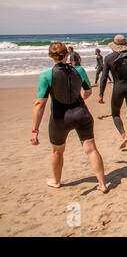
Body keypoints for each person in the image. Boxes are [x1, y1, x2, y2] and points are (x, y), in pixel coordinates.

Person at [30, 42, 107, 193]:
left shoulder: (46, 75)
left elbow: (40, 103)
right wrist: (82, 99)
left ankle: (57, 181)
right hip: (81, 114)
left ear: (50, 55)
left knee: (58, 151)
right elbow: (88, 91)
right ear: (67, 54)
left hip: (60, 118)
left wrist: (35, 130)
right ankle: (102, 184)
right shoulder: (79, 70)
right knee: (91, 149)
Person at [99, 35, 127, 150]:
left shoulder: (108, 58)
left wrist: (101, 94)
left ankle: (123, 136)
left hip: (118, 88)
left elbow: (103, 77)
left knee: (115, 114)